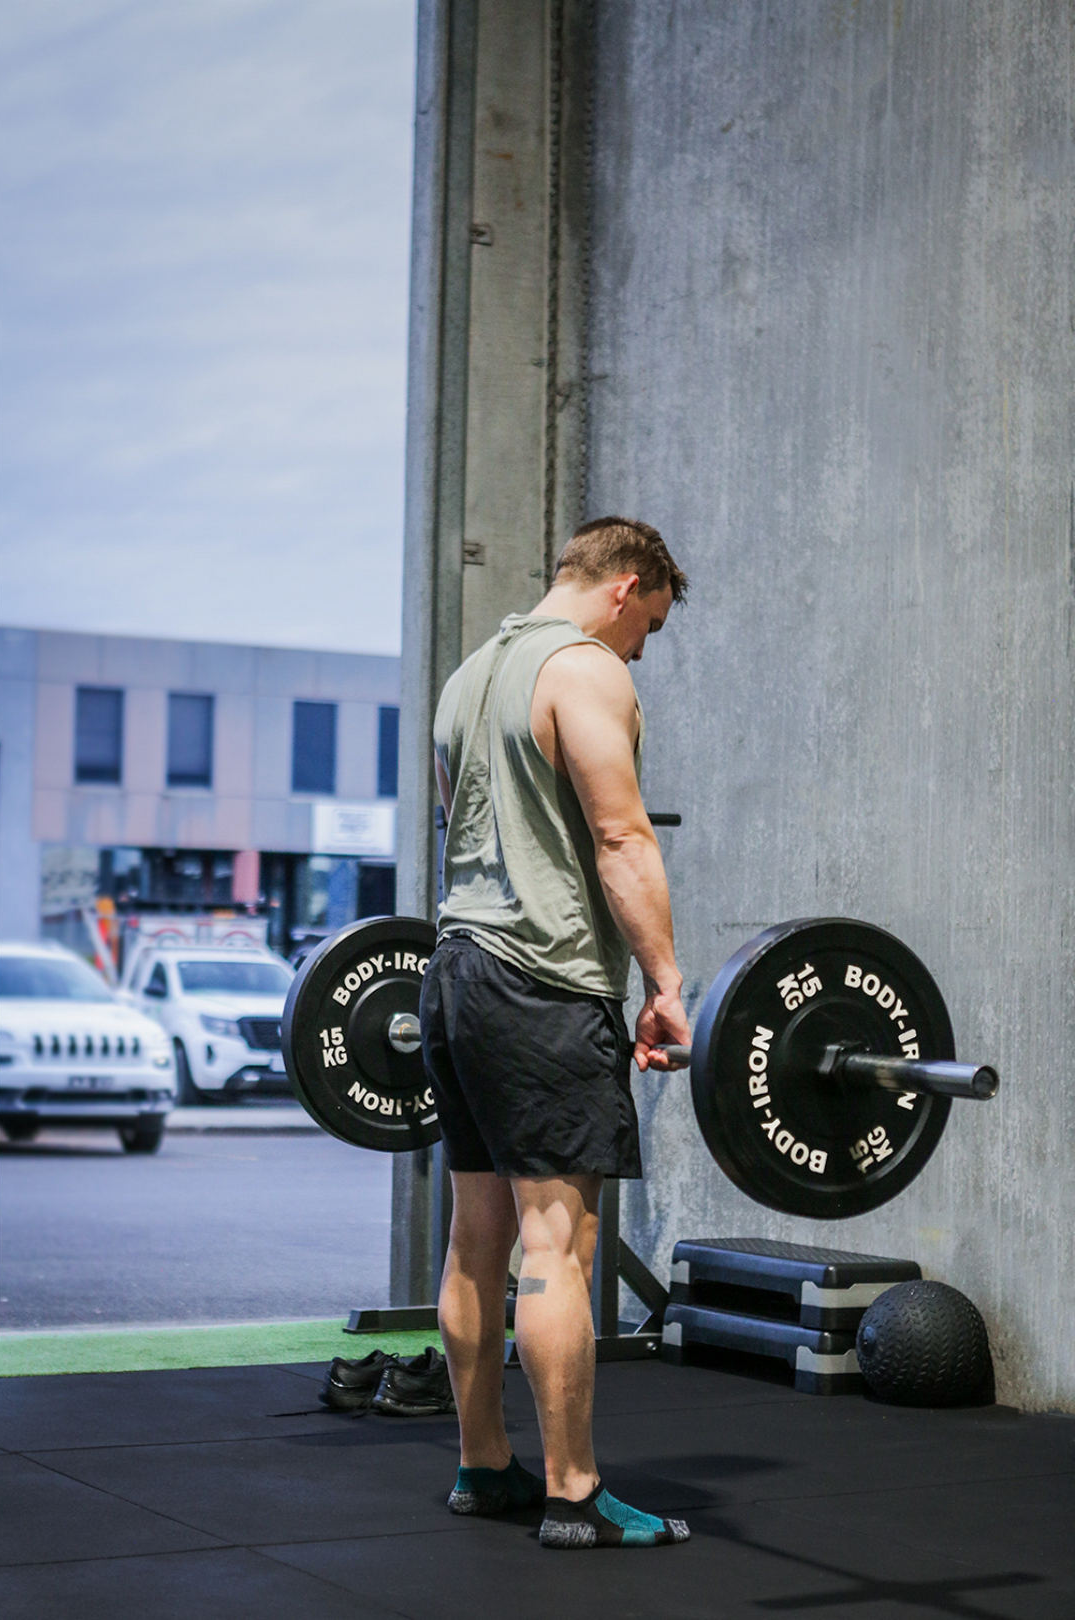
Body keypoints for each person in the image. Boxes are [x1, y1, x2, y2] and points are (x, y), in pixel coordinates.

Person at [420, 516, 692, 1551]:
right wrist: (665, 983)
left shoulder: (465, 678)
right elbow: (620, 835)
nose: (639, 651)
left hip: (453, 975)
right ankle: (573, 1493)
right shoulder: (583, 669)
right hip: (540, 982)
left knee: (475, 1239)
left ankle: (483, 1465)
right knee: (557, 1246)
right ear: (626, 587)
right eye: (650, 628)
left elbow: (461, 825)